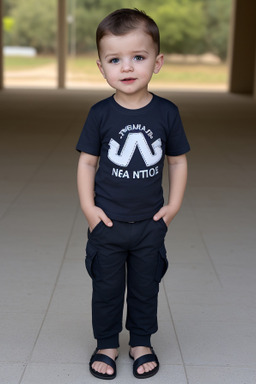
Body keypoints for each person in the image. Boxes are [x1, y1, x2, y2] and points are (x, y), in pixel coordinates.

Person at [76, 8, 190, 380]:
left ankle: (141, 341)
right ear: (101, 67)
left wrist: (172, 206)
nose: (126, 68)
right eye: (115, 59)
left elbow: (176, 162)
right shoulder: (99, 114)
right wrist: (90, 210)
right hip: (107, 223)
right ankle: (107, 343)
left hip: (149, 224)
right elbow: (87, 164)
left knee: (146, 287)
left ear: (157, 63)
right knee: (107, 289)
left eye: (137, 57)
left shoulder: (167, 113)